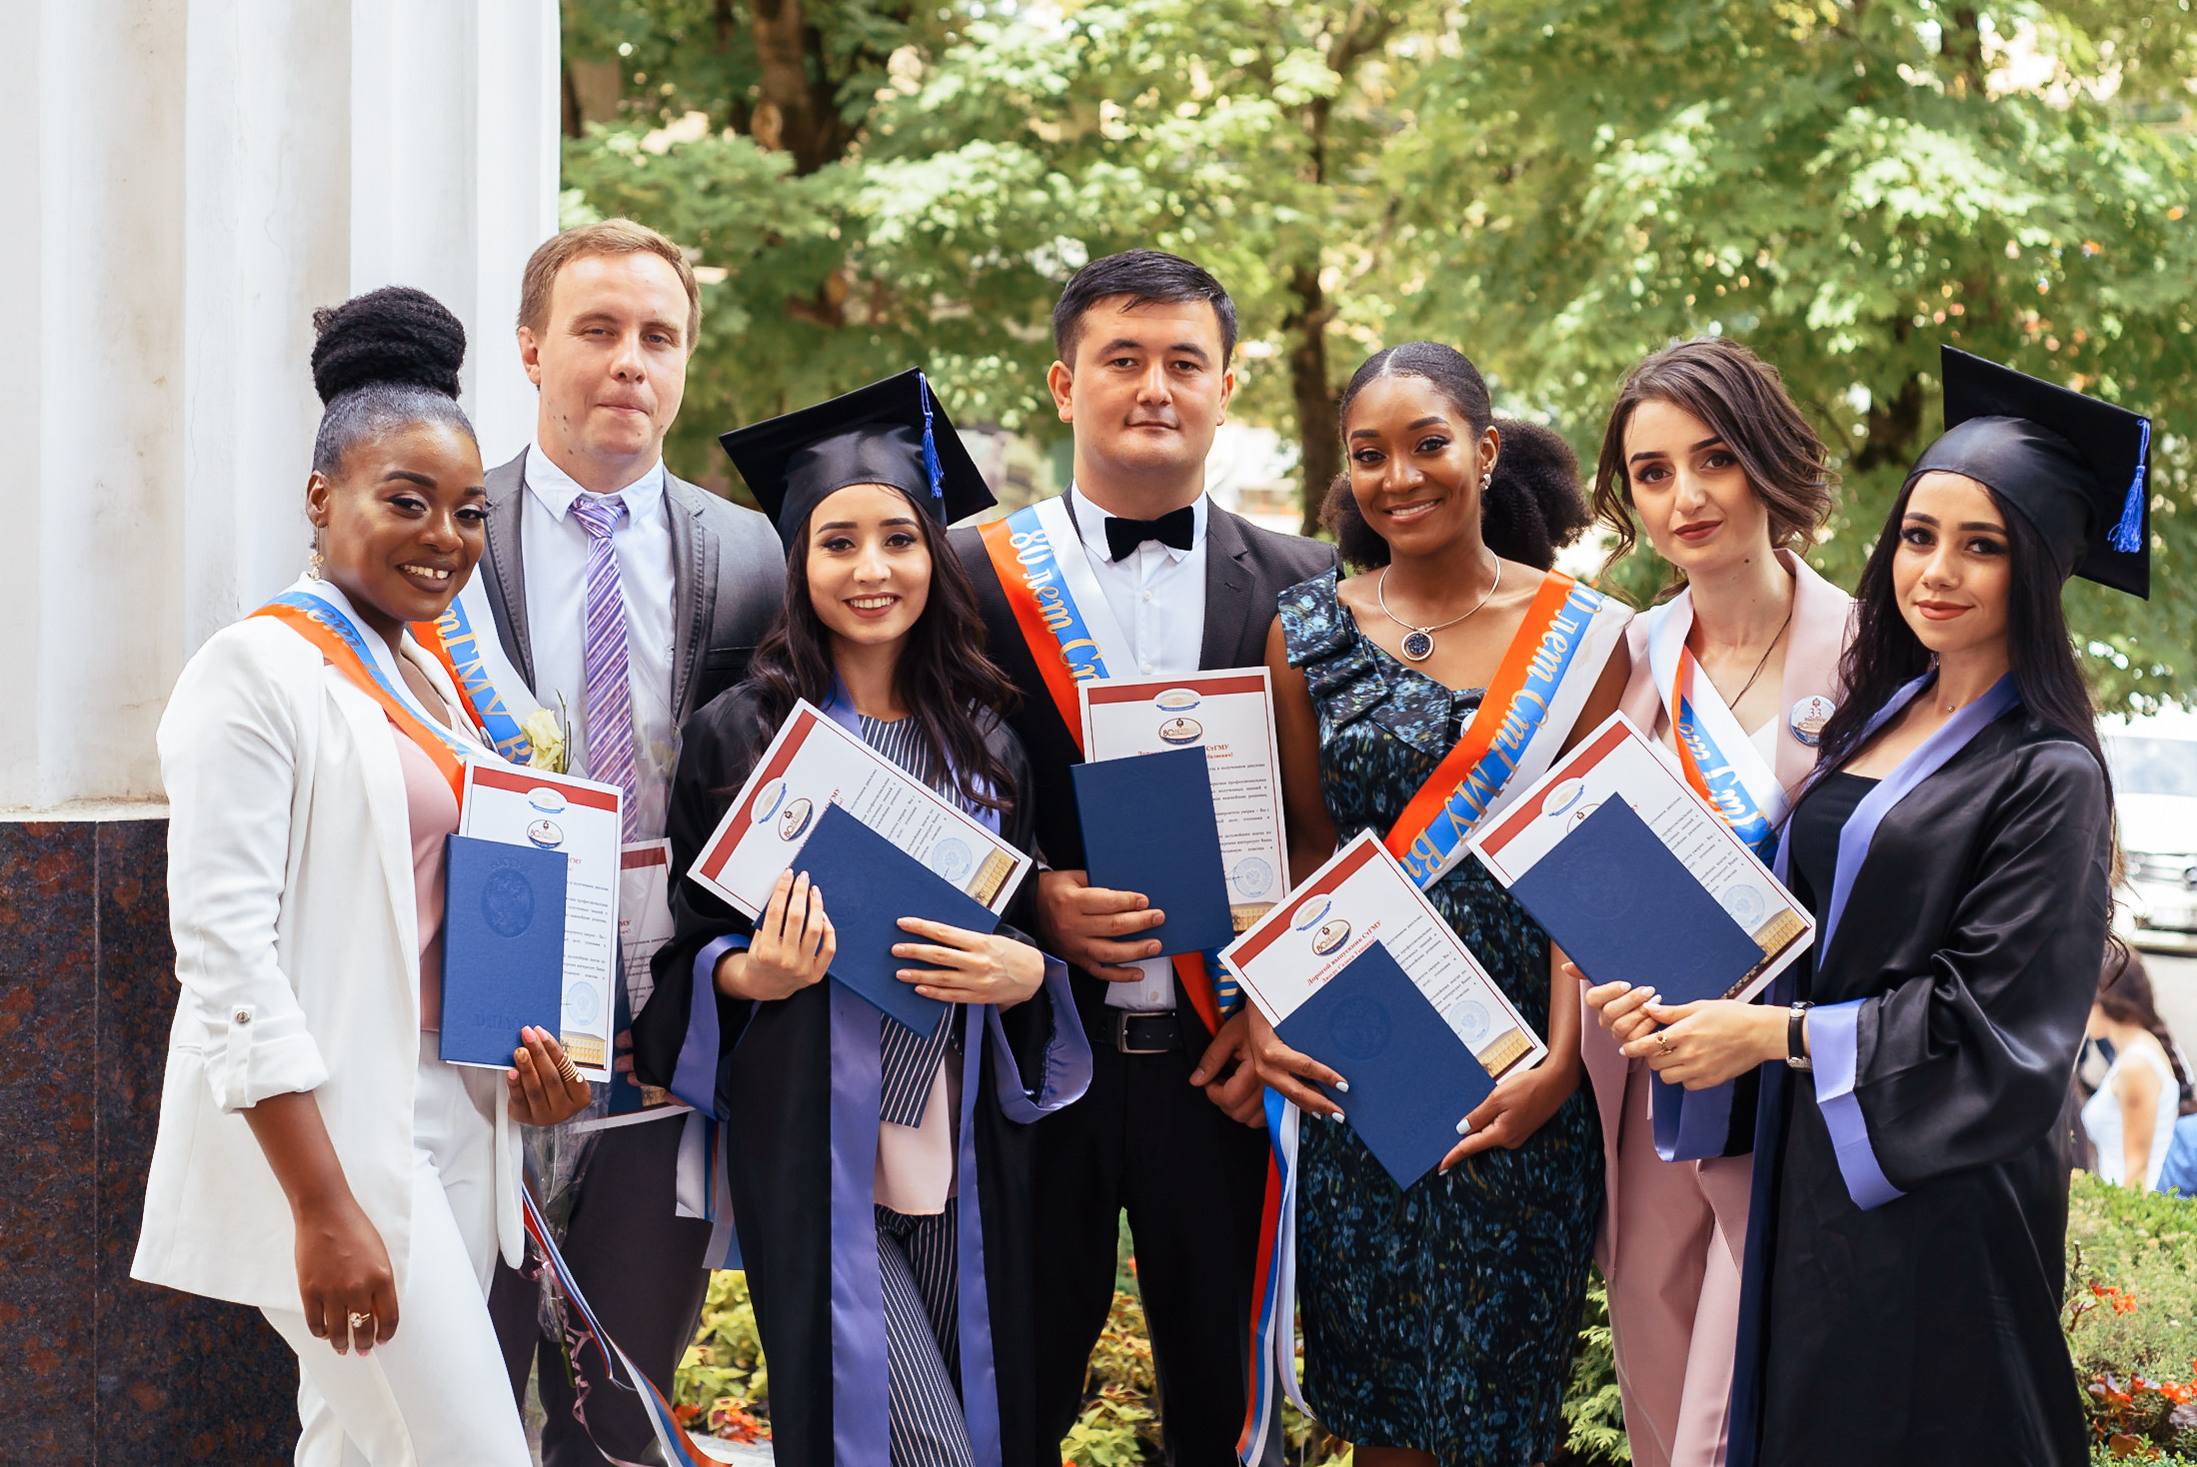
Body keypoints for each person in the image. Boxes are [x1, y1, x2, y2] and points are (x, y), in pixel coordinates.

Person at [1619, 345, 2146, 1466]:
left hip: (1939, 1191)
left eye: (1981, 546)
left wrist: (1765, 1035)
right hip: (1813, 1170)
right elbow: (1803, 927)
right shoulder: (1875, 712)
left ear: (2040, 567)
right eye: (1917, 535)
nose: (1935, 572)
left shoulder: (2046, 771)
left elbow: (1993, 1023)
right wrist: (1677, 1009)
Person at [133, 287, 595, 1464]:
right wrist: (323, 1206)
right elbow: (223, 954)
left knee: (356, 1444)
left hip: (450, 1117)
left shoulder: (427, 677)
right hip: (339, 1142)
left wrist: (526, 1070)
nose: (445, 535)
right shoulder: (255, 672)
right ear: (320, 499)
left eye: (468, 511)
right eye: (407, 502)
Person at [637, 370, 1091, 1467]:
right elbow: (683, 953)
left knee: (987, 1430)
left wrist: (1029, 975)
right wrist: (754, 975)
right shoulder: (738, 738)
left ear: (936, 555)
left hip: (964, 1136)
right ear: (798, 563)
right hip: (814, 1139)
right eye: (837, 543)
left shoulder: (989, 739)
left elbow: (1021, 929)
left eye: (899, 537)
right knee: (909, 1442)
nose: (872, 569)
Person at [946, 249, 1338, 1464]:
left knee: (1226, 1412)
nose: (1154, 387)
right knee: (1008, 1396)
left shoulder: (1310, 584)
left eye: (1185, 362)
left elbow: (1330, 826)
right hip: (1031, 1055)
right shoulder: (960, 575)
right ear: (1065, 387)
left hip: (1221, 1061)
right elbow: (912, 785)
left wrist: (1273, 997)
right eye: (1123, 359)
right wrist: (1027, 901)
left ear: (1226, 390)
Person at [1249, 341, 1633, 1467]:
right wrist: (1273, 1010)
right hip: (1369, 1062)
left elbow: (1586, 870)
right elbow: (1307, 845)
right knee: (1380, 1415)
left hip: (1516, 1071)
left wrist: (1561, 1064)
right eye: (1369, 456)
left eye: (1428, 445)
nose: (1400, 476)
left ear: (1485, 449)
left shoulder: (1581, 635)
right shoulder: (1303, 630)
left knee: (1497, 1407)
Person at [471, 218, 783, 1466]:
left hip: (665, 1008)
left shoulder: (749, 552)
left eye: (658, 337)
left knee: (623, 1402)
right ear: (533, 349)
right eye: (597, 331)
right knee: (470, 1380)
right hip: (487, 1009)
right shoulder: (451, 528)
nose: (628, 363)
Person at [1574, 338, 1849, 1467]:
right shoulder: (1623, 657)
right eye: (1650, 472)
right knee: (1656, 1384)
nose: (1684, 497)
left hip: (1790, 1091)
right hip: (1650, 1083)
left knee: (1731, 1423)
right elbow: (1582, 866)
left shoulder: (1874, 651)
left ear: (1769, 464)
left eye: (1715, 459)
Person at [2081, 948, 2192, 1190]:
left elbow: (2137, 1171)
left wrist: (2121, 1225)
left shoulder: (2136, 1065)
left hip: (2132, 1210)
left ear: (2103, 1001)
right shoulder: (2137, 1051)